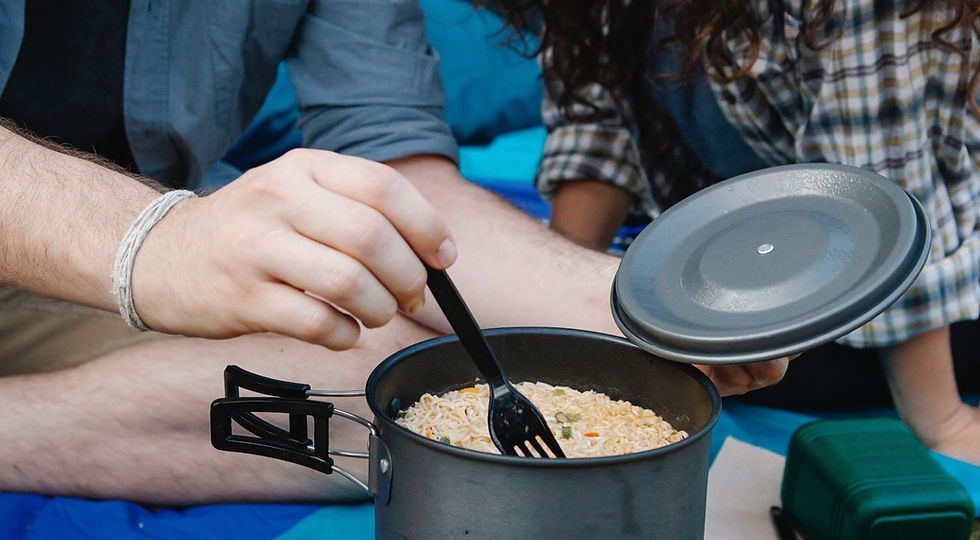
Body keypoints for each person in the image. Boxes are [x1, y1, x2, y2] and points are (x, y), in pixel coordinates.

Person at [0, 0, 787, 506]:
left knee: (410, 397)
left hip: (142, 261)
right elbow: (158, 241)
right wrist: (157, 240)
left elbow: (398, 173)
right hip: (114, 244)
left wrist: (632, 307)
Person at [482, 0, 980, 465]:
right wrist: (553, 333)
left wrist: (942, 420)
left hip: (928, 283)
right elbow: (599, 130)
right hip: (765, 248)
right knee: (644, 350)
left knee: (713, 376)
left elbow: (883, 195)